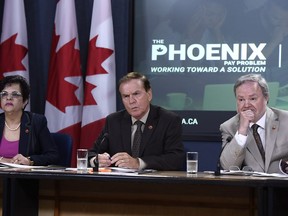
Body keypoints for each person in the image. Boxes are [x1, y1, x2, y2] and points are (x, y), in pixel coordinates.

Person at [89, 72, 185, 171]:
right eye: (126, 96)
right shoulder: (113, 121)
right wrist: (96, 160)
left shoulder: (168, 120)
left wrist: (138, 163)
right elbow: (91, 155)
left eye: (136, 94)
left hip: (153, 184)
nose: (131, 101)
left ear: (149, 94)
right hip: (119, 184)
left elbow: (176, 159)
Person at [220, 74, 288, 174]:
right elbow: (227, 167)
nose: (246, 105)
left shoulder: (285, 120)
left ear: (266, 98)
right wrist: (242, 130)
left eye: (252, 99)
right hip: (251, 187)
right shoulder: (229, 127)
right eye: (241, 99)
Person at [0, 75, 59, 166]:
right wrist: (2, 159)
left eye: (15, 94)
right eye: (4, 94)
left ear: (25, 101)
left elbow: (53, 155)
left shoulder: (37, 122)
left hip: (25, 178)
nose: (8, 98)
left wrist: (30, 160)